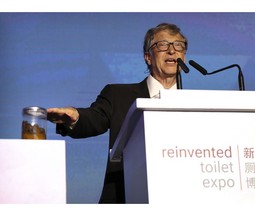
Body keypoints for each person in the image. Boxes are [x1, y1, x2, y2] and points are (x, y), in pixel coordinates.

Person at [47, 22, 188, 203]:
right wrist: (76, 117)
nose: (172, 51)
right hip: (126, 198)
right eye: (162, 45)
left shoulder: (198, 105)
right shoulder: (118, 95)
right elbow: (94, 118)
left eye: (178, 45)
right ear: (148, 57)